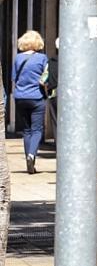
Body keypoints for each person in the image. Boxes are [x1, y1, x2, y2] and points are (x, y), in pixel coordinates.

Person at [11, 30, 50, 174]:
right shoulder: (42, 58)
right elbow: (45, 77)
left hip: (20, 97)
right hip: (37, 97)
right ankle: (32, 155)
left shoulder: (18, 58)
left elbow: (14, 78)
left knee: (26, 130)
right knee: (37, 129)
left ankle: (29, 159)